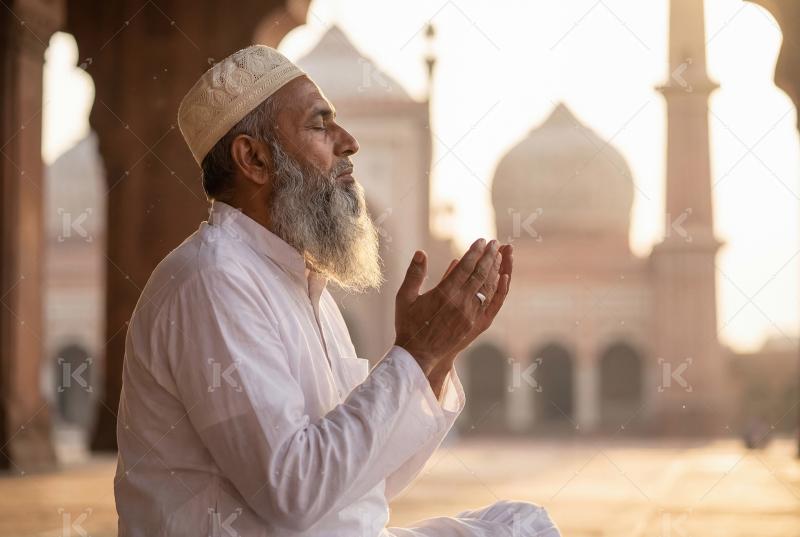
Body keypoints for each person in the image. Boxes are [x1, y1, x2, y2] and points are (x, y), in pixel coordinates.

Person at [114, 44, 561, 537]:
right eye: (320, 125)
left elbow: (365, 480)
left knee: (521, 524)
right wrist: (414, 354)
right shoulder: (213, 281)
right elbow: (293, 492)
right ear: (254, 158)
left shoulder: (305, 288)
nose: (349, 142)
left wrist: (434, 362)